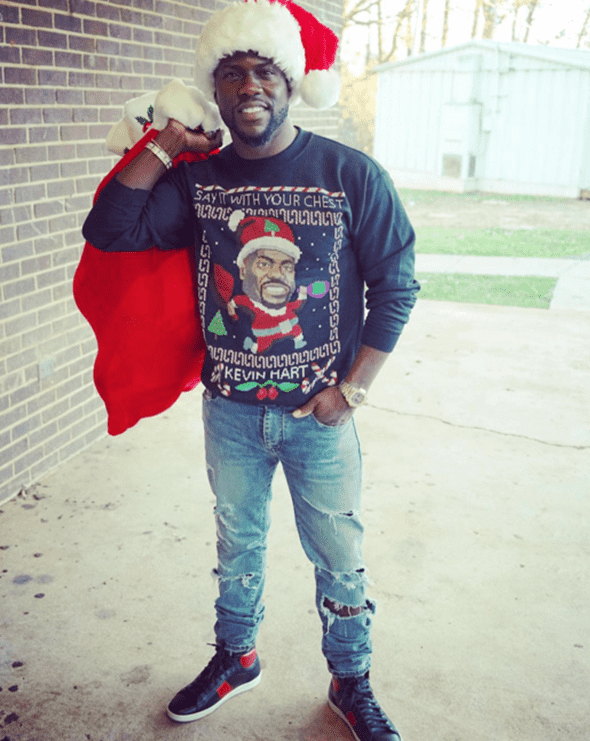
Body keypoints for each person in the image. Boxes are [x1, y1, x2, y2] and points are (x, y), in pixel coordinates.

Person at [82, 1, 419, 739]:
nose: (249, 87)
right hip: (231, 410)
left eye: (264, 71)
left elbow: (397, 285)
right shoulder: (200, 181)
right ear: (216, 90)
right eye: (231, 74)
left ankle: (352, 679)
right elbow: (110, 228)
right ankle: (236, 657)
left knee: (339, 557)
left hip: (318, 415)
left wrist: (352, 390)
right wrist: (168, 142)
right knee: (237, 546)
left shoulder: (350, 174)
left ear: (290, 83)